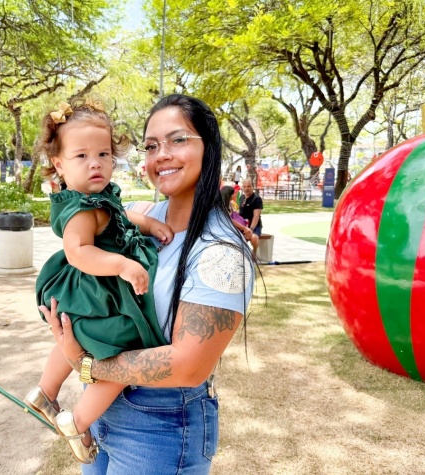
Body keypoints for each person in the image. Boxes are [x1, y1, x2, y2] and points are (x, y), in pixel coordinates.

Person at [40, 94, 255, 474]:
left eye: (178, 140)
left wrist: (85, 363)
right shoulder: (139, 217)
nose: (162, 155)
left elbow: (187, 365)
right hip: (105, 412)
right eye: (152, 145)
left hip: (160, 430)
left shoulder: (221, 251)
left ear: (210, 147)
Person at [25, 99, 175, 464]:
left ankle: (46, 391)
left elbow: (122, 218)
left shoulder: (98, 197)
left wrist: (150, 224)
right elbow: (77, 251)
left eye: (103, 153)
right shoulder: (79, 209)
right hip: (96, 285)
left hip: (94, 287)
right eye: (81, 156)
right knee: (119, 349)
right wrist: (121, 264)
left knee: (74, 334)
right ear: (59, 164)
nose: (95, 163)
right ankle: (78, 421)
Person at [239, 181, 263, 252]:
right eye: (245, 186)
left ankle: (254, 252)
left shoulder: (257, 199)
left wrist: (251, 229)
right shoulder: (241, 197)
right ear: (242, 188)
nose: (246, 188)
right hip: (243, 225)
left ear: (252, 187)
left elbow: (256, 216)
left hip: (254, 226)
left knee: (254, 238)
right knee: (238, 239)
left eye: (249, 186)